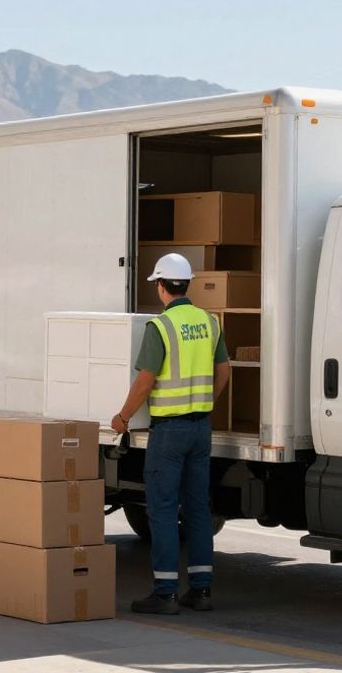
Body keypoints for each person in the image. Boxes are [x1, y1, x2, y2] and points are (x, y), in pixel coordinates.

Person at [111, 252, 230, 615]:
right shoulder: (209, 322)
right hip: (200, 428)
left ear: (161, 286)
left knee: (162, 510)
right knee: (197, 509)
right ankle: (201, 590)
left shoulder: (160, 327)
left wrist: (123, 417)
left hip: (169, 432)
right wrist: (205, 402)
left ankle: (165, 594)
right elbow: (224, 371)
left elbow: (145, 380)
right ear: (187, 284)